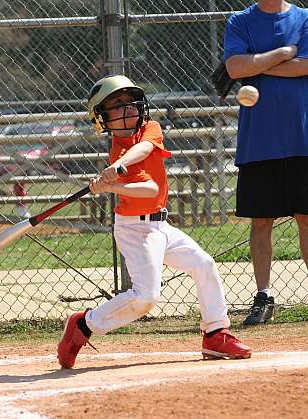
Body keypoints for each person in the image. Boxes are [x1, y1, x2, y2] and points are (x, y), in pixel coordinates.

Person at [57, 75, 252, 368]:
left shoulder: (149, 129)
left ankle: (215, 333)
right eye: (117, 104)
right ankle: (84, 324)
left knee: (203, 264)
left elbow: (145, 152)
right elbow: (147, 191)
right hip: (135, 229)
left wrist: (115, 172)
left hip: (160, 225)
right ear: (103, 118)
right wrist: (111, 184)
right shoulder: (118, 150)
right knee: (146, 298)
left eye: (131, 101)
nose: (129, 108)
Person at [223, 0, 308, 324]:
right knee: (261, 221)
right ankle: (264, 297)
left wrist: (257, 64)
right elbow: (234, 69)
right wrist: (281, 54)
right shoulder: (240, 21)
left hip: (301, 133)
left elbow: (306, 66)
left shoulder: (304, 19)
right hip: (259, 139)